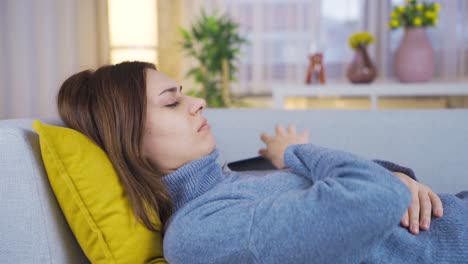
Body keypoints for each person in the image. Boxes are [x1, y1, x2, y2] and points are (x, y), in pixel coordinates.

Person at [57, 61, 468, 263]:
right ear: (129, 139)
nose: (198, 102)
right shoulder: (199, 231)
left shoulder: (232, 180)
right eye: (173, 101)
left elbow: (378, 186)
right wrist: (291, 151)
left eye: (185, 92)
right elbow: (373, 197)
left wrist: (400, 177)